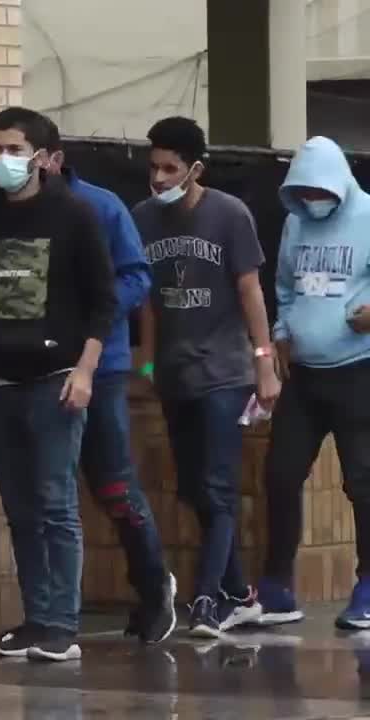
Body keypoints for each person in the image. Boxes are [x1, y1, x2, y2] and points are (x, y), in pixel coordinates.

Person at [0, 107, 117, 662]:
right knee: (20, 508)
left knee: (55, 502)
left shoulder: (75, 216)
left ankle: (62, 623)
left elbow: (103, 304)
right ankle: (36, 617)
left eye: (14, 149)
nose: (3, 160)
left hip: (55, 379)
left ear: (42, 157)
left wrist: (85, 371)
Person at [133, 116, 279, 638]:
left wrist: (264, 358)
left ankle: (206, 600)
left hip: (224, 372)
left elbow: (250, 289)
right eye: (154, 167)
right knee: (194, 489)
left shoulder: (229, 215)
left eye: (171, 168)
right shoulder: (144, 218)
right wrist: (147, 361)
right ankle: (242, 595)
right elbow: (148, 300)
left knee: (216, 489)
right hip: (175, 373)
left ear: (196, 168)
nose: (160, 178)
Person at [40, 124, 178, 643]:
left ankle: (152, 585)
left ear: (52, 158)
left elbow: (138, 277)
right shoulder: (6, 215)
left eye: (18, 152)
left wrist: (88, 315)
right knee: (48, 496)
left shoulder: (101, 207)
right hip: (35, 370)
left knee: (113, 484)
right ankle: (50, 616)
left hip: (103, 366)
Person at [255, 136, 370, 629]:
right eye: (301, 191)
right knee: (280, 474)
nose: (310, 199)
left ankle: (368, 587)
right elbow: (282, 286)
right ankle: (277, 587)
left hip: (358, 370)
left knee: (363, 483)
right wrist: (280, 335)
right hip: (303, 375)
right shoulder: (295, 221)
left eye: (318, 190)